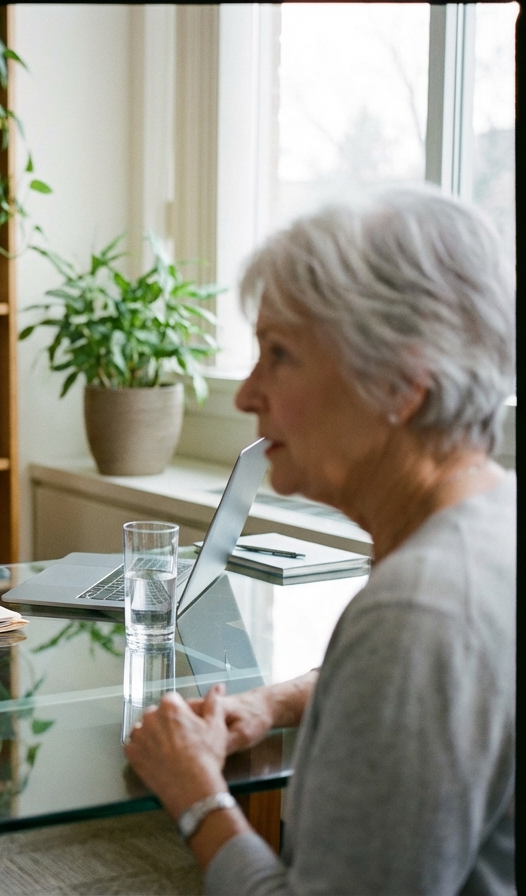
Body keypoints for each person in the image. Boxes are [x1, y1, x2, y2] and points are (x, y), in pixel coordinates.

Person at [124, 187, 515, 895]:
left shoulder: (418, 615)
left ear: (402, 384)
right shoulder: (493, 522)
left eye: (279, 354)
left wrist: (195, 794)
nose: (245, 394)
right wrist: (273, 704)